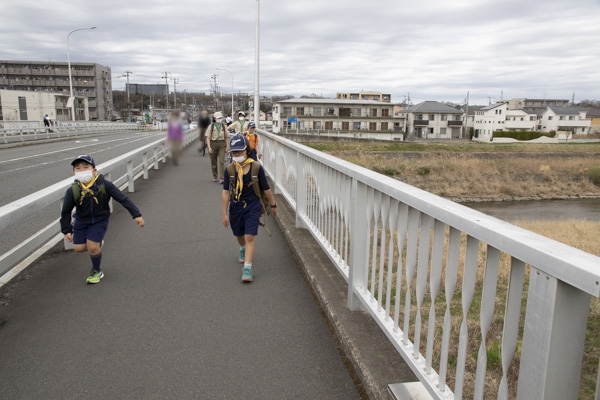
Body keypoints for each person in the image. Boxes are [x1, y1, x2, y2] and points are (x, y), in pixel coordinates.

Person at [60, 154, 145, 284]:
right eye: (78, 168)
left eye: (86, 167)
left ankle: (96, 270)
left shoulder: (105, 185)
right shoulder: (73, 190)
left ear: (94, 170)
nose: (82, 171)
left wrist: (136, 215)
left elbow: (123, 199)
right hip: (81, 221)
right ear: (74, 172)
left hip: (99, 220)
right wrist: (67, 229)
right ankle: (97, 243)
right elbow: (65, 211)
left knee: (92, 247)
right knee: (78, 248)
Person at [222, 134, 277, 283]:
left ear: (246, 150)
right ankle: (242, 248)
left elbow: (266, 188)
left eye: (239, 152)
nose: (237, 155)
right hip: (236, 206)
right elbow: (226, 192)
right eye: (234, 153)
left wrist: (273, 204)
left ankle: (247, 268)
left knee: (250, 236)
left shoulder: (256, 167)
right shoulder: (229, 170)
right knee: (239, 234)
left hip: (253, 205)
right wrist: (224, 213)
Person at [206, 111, 230, 183]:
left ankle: (222, 177)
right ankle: (215, 175)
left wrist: (227, 147)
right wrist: (209, 147)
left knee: (221, 161)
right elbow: (207, 137)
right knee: (213, 161)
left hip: (222, 144)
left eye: (221, 118)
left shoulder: (223, 126)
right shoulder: (211, 126)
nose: (220, 119)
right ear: (214, 118)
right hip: (213, 144)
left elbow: (226, 137)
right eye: (218, 118)